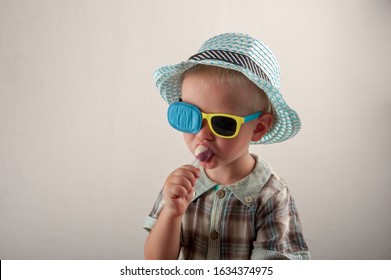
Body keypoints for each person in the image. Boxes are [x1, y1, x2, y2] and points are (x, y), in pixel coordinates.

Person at [142, 33, 310, 260]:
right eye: (189, 116)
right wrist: (172, 213)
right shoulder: (179, 186)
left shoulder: (271, 194)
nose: (202, 135)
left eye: (222, 123)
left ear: (258, 128)